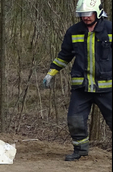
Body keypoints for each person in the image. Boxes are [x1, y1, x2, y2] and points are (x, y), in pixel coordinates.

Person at [42, 0, 112, 161]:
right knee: (75, 119)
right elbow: (64, 55)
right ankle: (80, 150)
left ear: (98, 12)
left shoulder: (109, 29)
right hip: (81, 86)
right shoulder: (73, 31)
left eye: (88, 14)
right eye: (82, 15)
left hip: (107, 87)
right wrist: (50, 73)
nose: (85, 18)